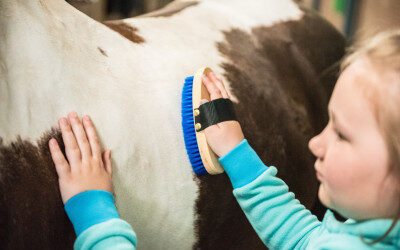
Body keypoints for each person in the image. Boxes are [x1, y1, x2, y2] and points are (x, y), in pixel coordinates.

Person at [49, 30, 400, 249]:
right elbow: (306, 240)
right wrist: (236, 152)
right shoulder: (369, 229)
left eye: (341, 134)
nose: (315, 143)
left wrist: (95, 215)